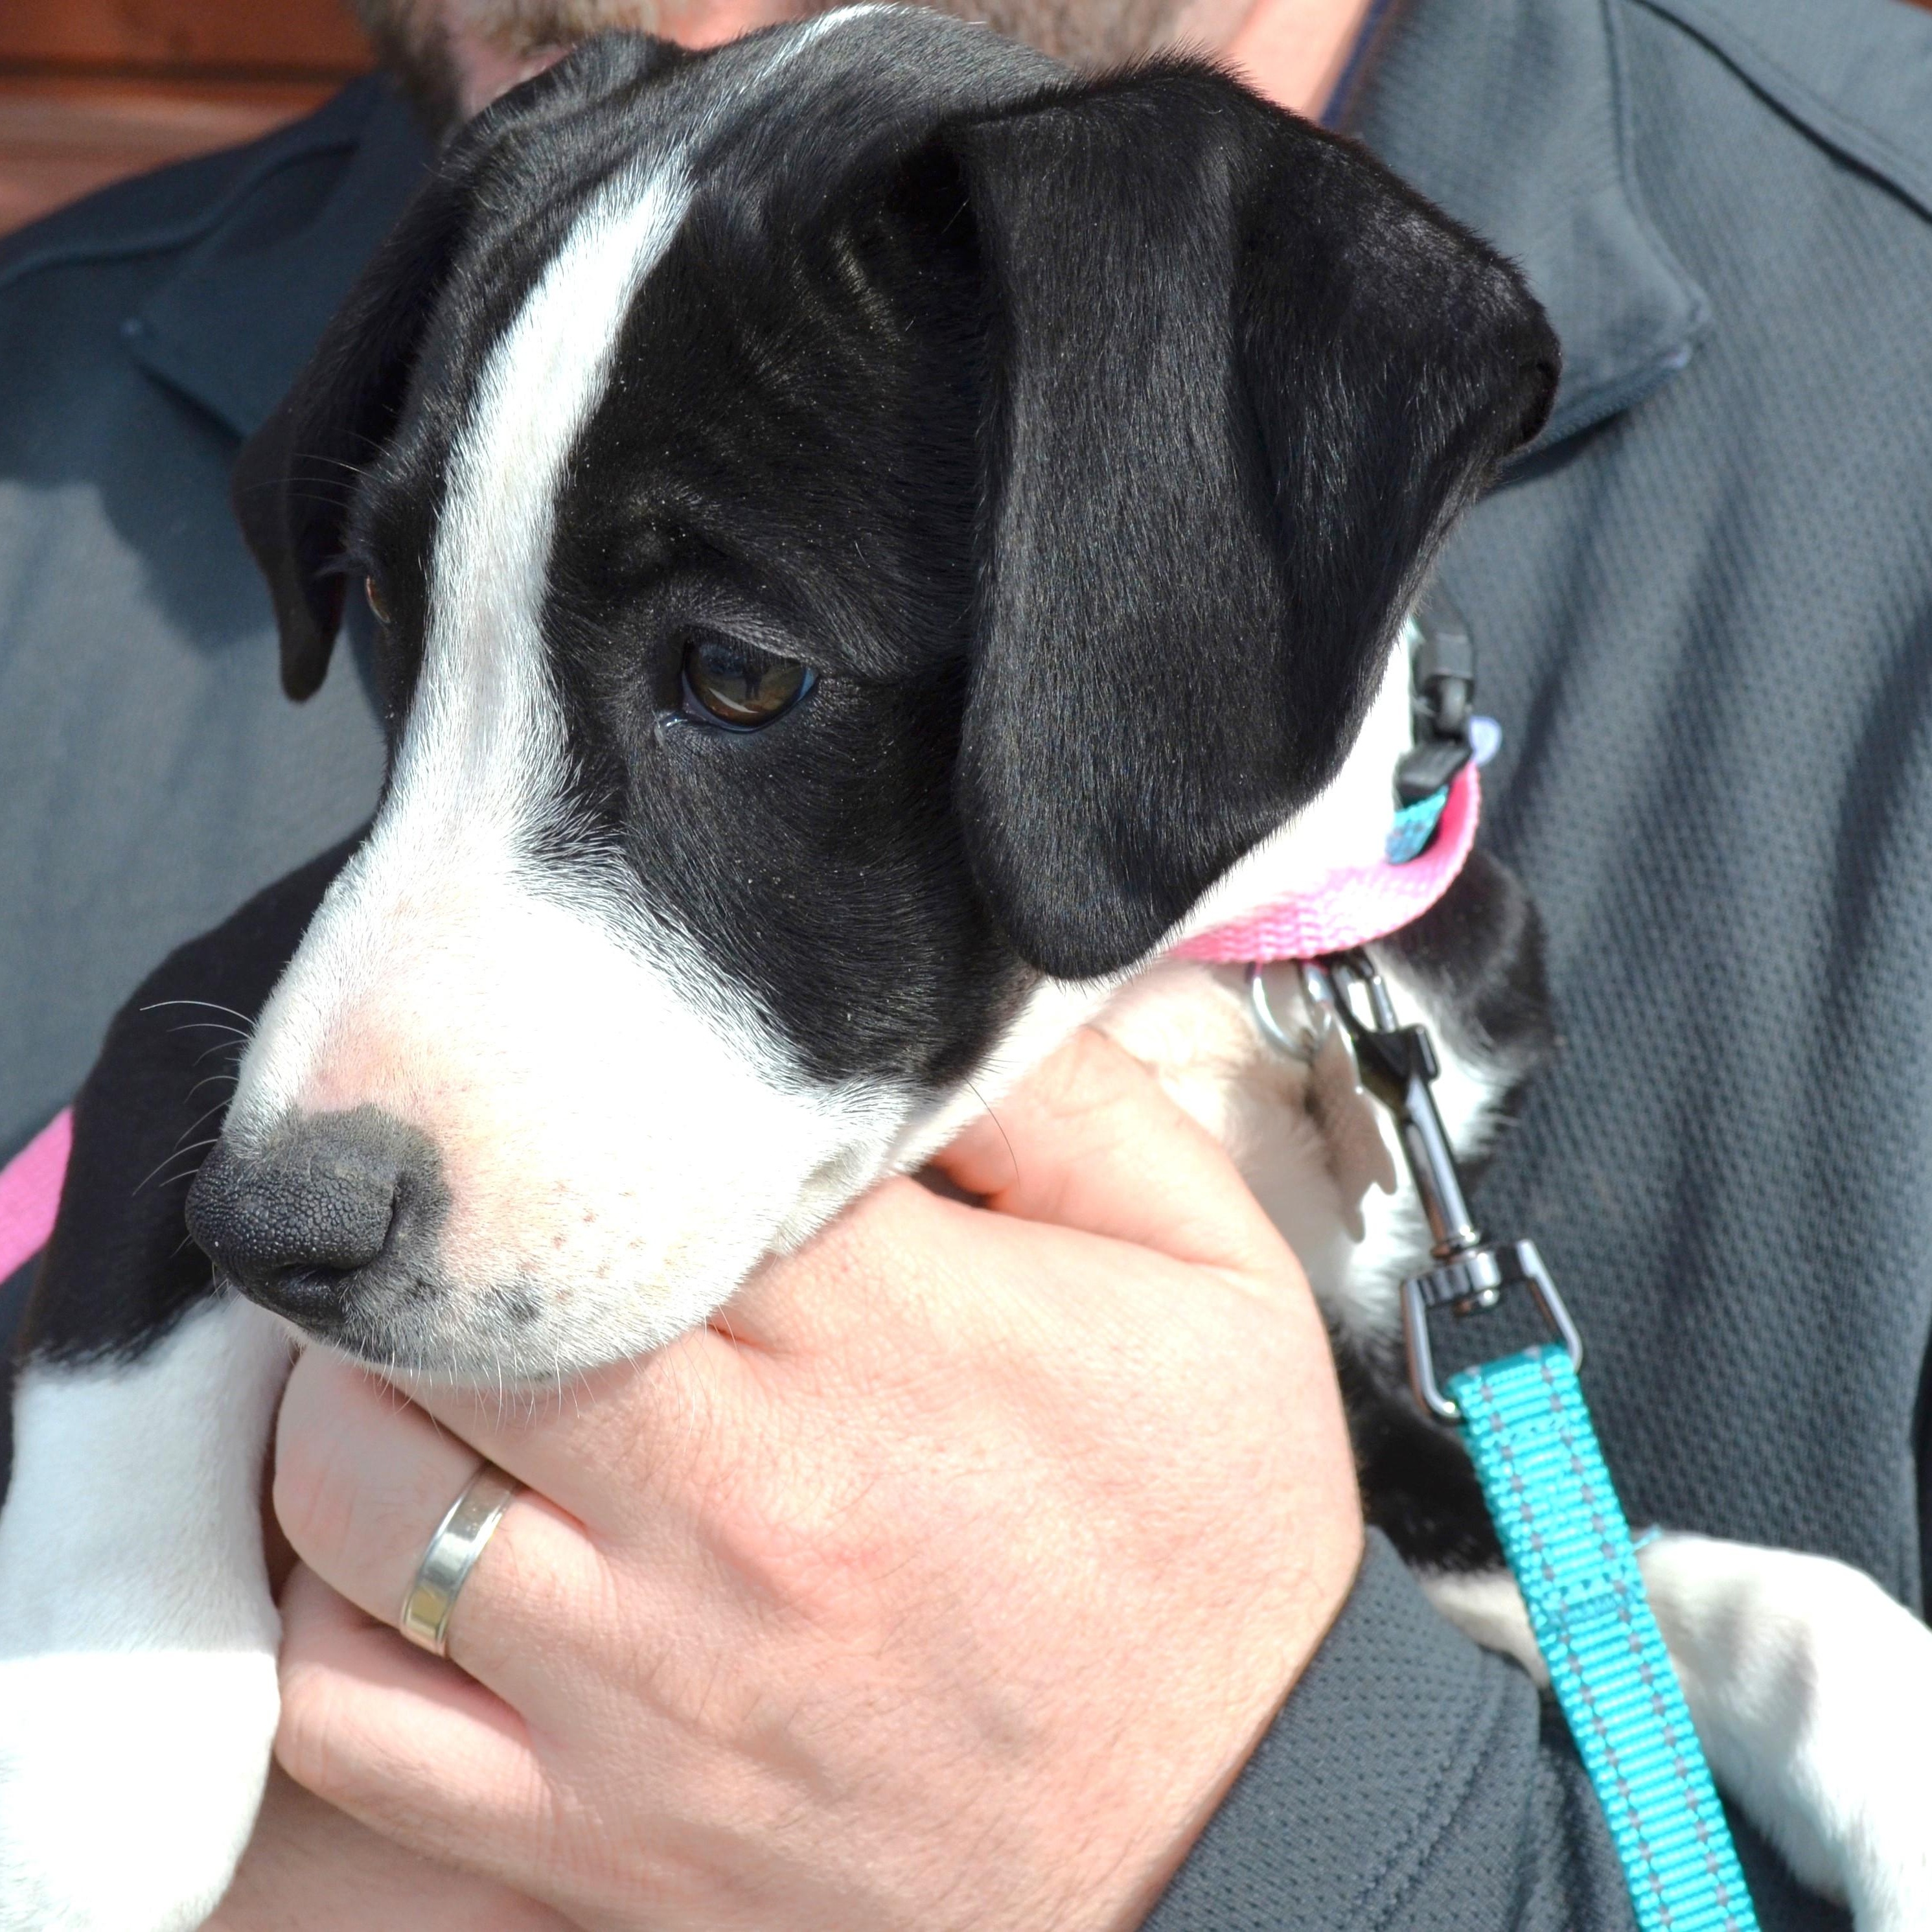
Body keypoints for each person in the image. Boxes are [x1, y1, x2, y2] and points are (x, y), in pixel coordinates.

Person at [3, 0, 1929, 1924]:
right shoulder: (250, 337)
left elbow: (1320, 1583)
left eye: (738, 675)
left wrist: (1217, 1822)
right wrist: (112, 1698)